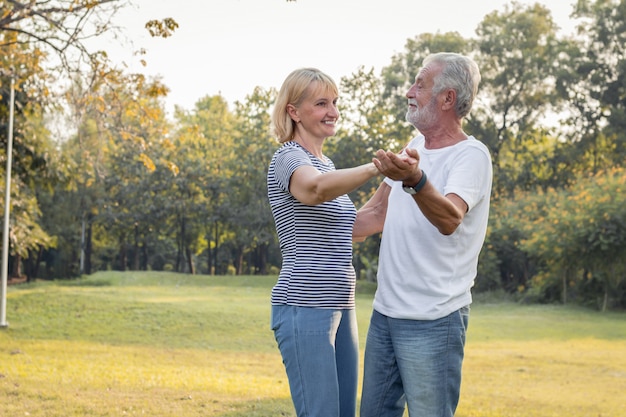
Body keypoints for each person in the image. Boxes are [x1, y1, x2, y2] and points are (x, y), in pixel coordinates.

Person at [354, 52, 493, 417]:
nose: (409, 91)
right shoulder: (412, 147)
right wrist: (310, 232)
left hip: (434, 320)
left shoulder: (471, 155)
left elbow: (449, 218)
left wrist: (415, 180)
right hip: (385, 315)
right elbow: (374, 213)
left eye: (420, 83)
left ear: (447, 98)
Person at [267, 67, 383, 417]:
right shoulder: (289, 158)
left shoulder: (325, 164)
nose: (333, 111)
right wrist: (374, 167)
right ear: (293, 111)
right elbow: (313, 189)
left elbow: (360, 226)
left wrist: (402, 173)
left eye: (334, 102)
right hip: (304, 305)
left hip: (341, 305)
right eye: (321, 103)